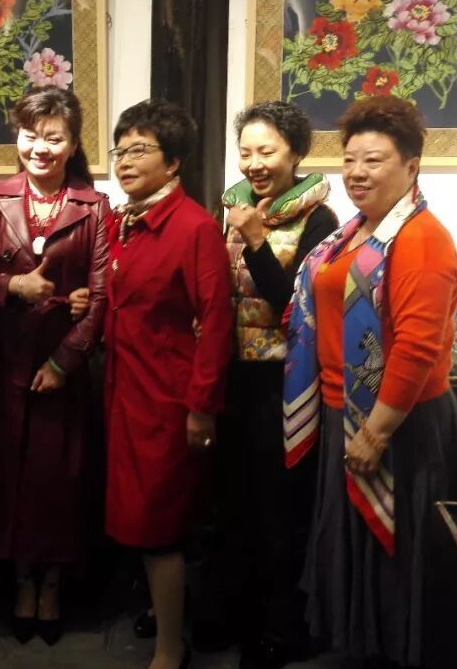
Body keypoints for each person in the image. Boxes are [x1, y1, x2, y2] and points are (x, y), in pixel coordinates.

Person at [283, 96, 457, 668]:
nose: (357, 173)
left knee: (395, 554)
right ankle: (361, 651)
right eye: (350, 160)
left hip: (399, 422)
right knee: (356, 545)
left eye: (374, 160)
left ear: (411, 166)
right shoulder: (356, 233)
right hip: (348, 409)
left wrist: (377, 431)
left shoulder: (421, 238)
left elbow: (417, 347)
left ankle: (394, 656)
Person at [0, 86, 110, 646]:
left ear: (72, 144)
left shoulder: (94, 207)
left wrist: (66, 361)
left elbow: (101, 296)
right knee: (11, 470)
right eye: (30, 135)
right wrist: (13, 286)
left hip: (62, 357)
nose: (39, 148)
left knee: (57, 475)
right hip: (4, 354)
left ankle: (52, 582)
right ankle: (22, 579)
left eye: (53, 137)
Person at [197, 101, 337, 668]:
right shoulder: (231, 208)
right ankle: (229, 616)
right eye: (246, 152)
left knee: (278, 510)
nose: (254, 163)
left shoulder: (321, 221)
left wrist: (256, 242)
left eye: (267, 151)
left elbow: (292, 307)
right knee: (232, 503)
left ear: (296, 153)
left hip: (283, 384)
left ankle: (278, 628)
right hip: (232, 376)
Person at [104, 99, 234, 669]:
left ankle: (168, 649)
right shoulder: (124, 223)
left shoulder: (193, 227)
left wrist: (201, 407)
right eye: (120, 150)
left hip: (167, 400)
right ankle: (163, 618)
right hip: (123, 393)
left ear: (174, 161)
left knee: (159, 525)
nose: (125, 161)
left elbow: (217, 322)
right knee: (139, 519)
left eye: (140, 150)